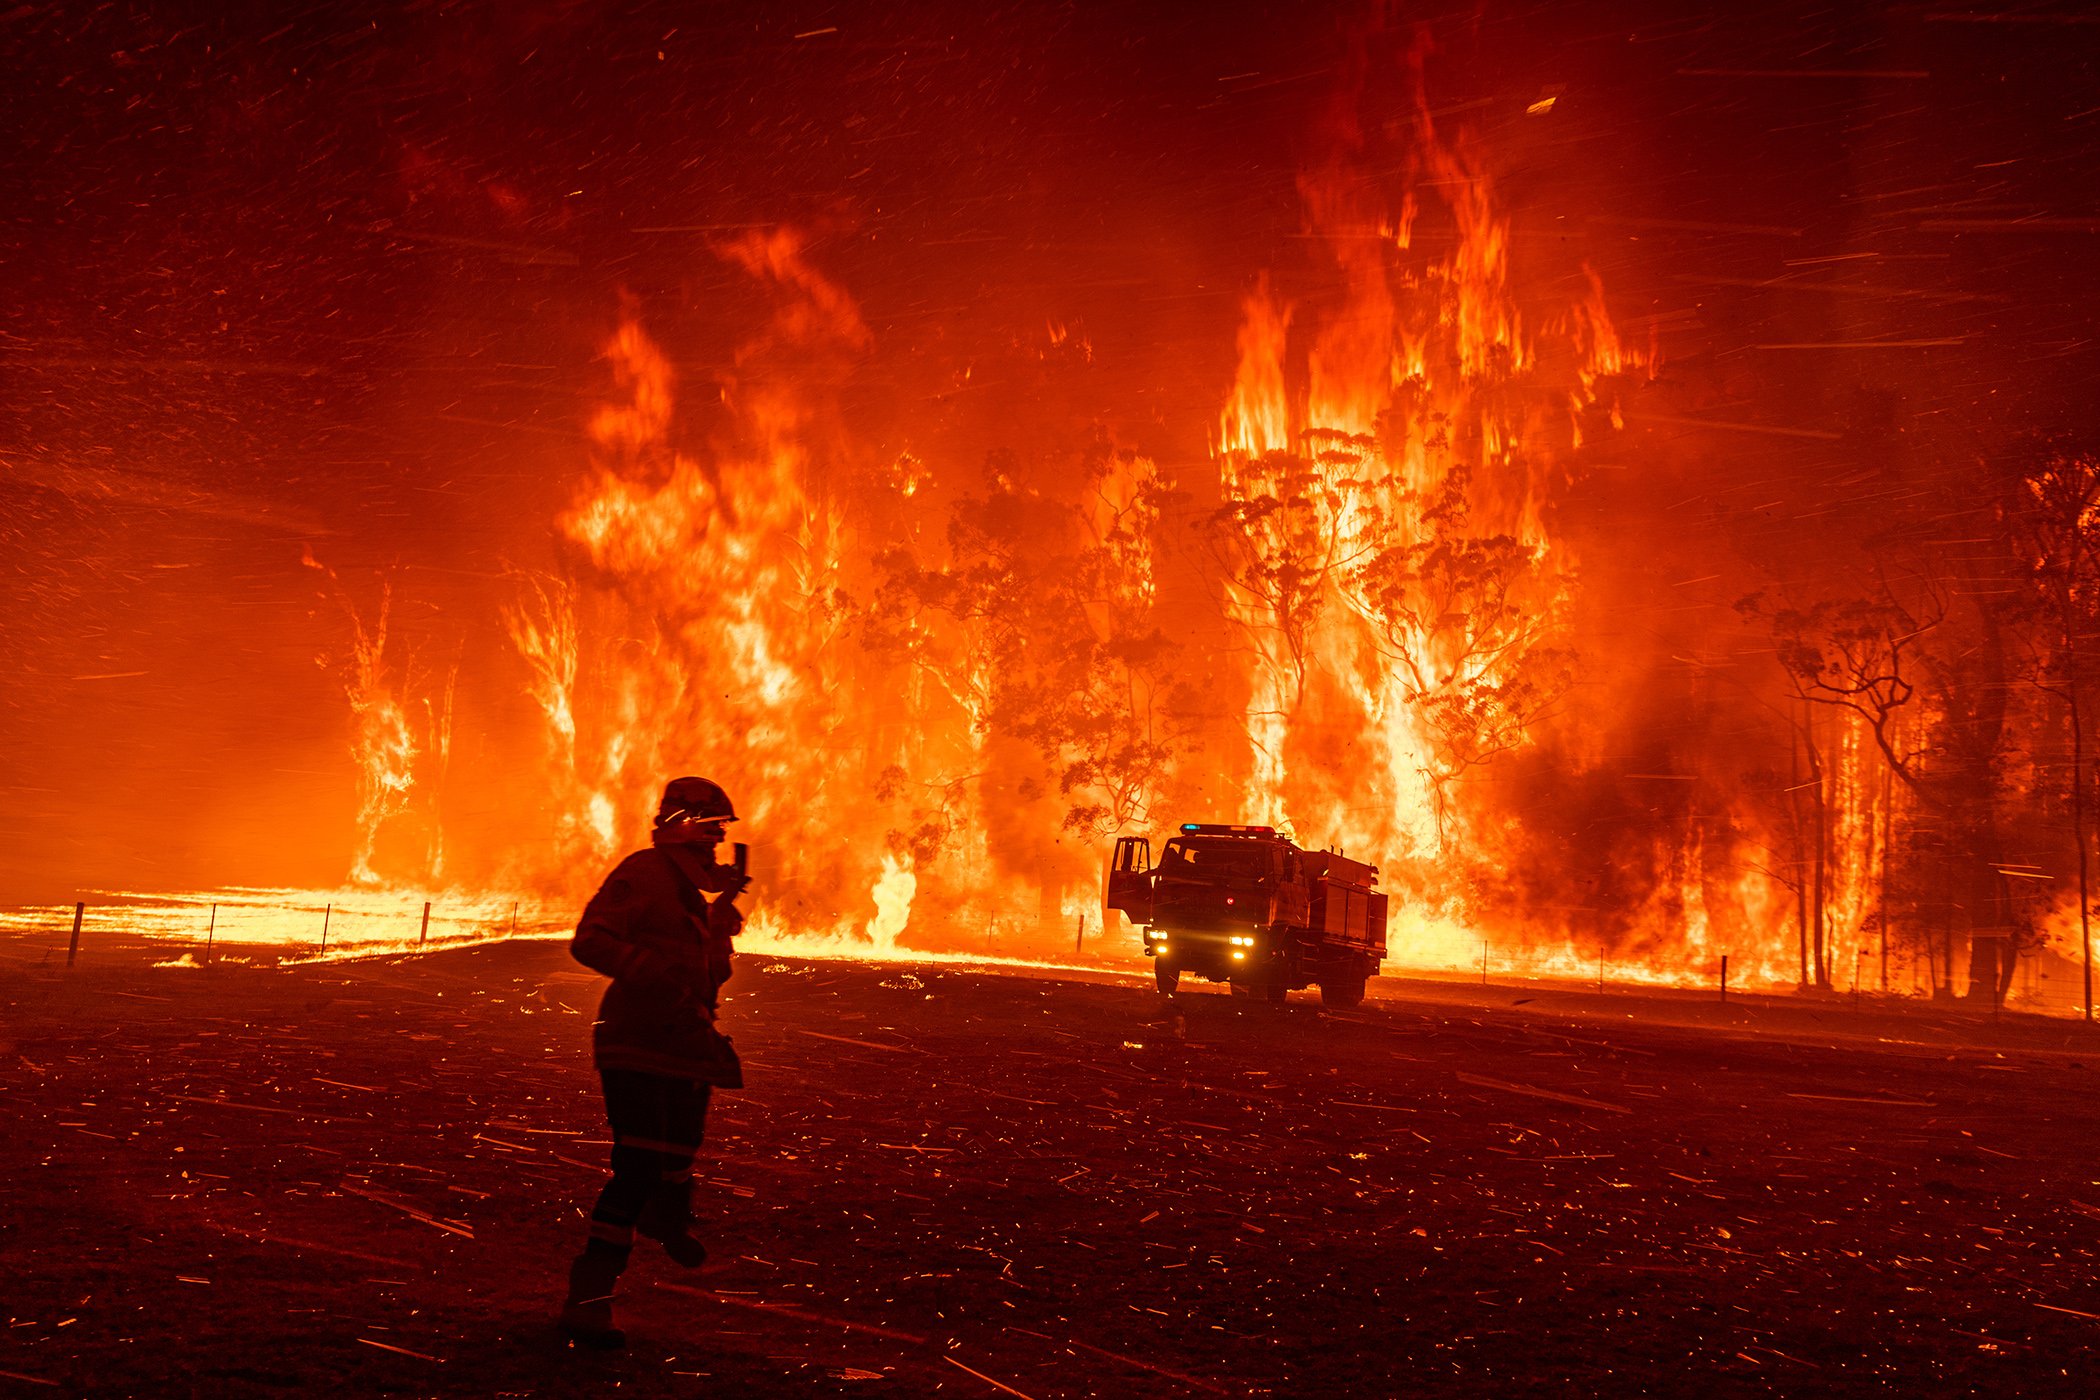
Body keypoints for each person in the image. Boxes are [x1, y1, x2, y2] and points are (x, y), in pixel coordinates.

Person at [559, 776, 751, 1350]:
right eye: (711, 833)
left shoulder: (693, 897)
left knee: (677, 1155)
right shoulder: (643, 874)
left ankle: (666, 1216)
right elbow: (590, 941)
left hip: (684, 1043)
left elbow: (710, 979)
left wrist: (716, 937)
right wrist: (654, 974)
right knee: (639, 1165)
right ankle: (588, 1301)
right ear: (684, 827)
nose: (717, 846)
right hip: (636, 1040)